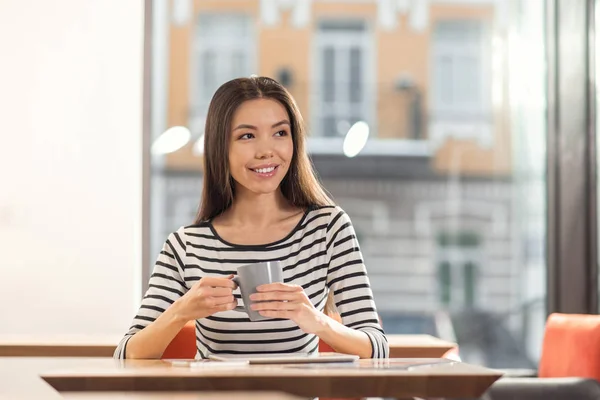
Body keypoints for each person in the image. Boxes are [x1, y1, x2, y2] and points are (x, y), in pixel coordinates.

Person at [114, 76, 388, 360]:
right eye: (247, 136)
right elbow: (126, 353)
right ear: (221, 147)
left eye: (280, 133)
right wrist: (181, 311)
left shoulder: (328, 229)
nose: (266, 150)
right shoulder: (187, 246)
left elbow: (377, 347)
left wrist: (316, 321)